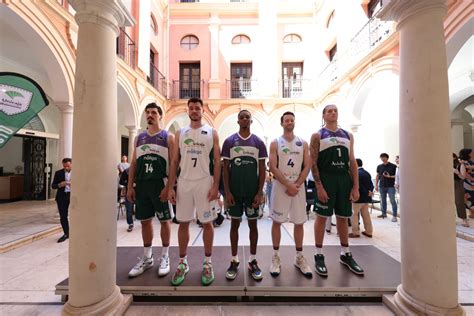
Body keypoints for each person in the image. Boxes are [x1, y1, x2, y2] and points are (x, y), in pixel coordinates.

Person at [167, 97, 221, 286]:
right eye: (191, 108)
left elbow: (217, 161)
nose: (195, 110)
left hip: (204, 183)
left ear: (202, 110)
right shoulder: (180, 133)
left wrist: (216, 187)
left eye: (198, 108)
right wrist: (171, 187)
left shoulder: (212, 132)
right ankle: (183, 263)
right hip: (184, 183)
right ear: (187, 111)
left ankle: (207, 263)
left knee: (207, 223)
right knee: (183, 223)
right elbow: (174, 161)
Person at [310, 104, 364, 277]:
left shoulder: (348, 135)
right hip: (326, 178)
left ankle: (345, 253)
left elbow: (352, 161)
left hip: (344, 179)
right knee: (322, 217)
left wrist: (355, 186)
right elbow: (313, 162)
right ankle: (319, 254)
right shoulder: (318, 135)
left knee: (342, 217)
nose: (333, 112)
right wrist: (319, 186)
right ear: (324, 115)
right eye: (329, 111)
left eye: (335, 110)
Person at [127, 103, 175, 278]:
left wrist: (169, 187)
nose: (150, 115)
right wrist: (130, 186)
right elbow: (133, 163)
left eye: (154, 112)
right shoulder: (139, 138)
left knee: (164, 221)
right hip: (141, 185)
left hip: (159, 184)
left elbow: (173, 164)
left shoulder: (167, 137)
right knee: (145, 221)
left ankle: (165, 256)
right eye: (147, 112)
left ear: (160, 116)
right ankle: (147, 258)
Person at [221, 110, 267, 281]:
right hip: (234, 192)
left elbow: (262, 169)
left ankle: (252, 260)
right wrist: (227, 192)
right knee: (234, 225)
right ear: (238, 121)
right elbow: (225, 169)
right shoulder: (229, 141)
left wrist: (259, 191)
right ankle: (234, 260)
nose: (245, 119)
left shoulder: (258, 143)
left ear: (251, 121)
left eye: (247, 117)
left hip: (252, 193)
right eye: (242, 117)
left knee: (253, 226)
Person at [269, 111, 313, 278]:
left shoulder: (303, 143)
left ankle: (299, 257)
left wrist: (297, 185)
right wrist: (288, 184)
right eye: (286, 120)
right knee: (277, 222)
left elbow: (307, 165)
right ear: (282, 123)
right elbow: (273, 166)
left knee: (299, 223)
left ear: (294, 122)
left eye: (292, 120)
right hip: (281, 186)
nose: (289, 122)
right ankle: (276, 257)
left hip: (298, 185)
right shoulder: (275, 143)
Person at [349, 159, 374, 238]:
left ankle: (355, 232)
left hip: (358, 198)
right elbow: (371, 185)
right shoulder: (367, 173)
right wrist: (369, 191)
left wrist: (366, 192)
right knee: (366, 215)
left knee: (354, 215)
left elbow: (358, 186)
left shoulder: (356, 174)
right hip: (366, 199)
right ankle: (369, 231)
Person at [52, 158, 72, 243]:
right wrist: (60, 184)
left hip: (74, 196)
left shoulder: (78, 171)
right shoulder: (58, 173)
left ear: (72, 164)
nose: (66, 168)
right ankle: (66, 233)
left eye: (68, 166)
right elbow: (53, 186)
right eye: (64, 166)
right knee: (63, 216)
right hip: (62, 197)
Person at [375, 153, 398, 222]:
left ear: (387, 158)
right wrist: (376, 185)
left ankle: (394, 216)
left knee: (392, 201)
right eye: (381, 157)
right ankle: (384, 213)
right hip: (382, 186)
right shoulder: (379, 166)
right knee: (383, 200)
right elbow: (377, 176)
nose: (382, 158)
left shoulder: (393, 166)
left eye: (383, 157)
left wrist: (390, 176)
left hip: (391, 186)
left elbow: (397, 176)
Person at [453, 153, 469, 227]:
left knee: (459, 202)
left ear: (454, 157)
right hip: (447, 184)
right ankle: (451, 219)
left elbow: (463, 177)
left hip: (458, 184)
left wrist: (457, 172)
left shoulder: (460, 165)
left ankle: (464, 219)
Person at [459, 148, 474, 217]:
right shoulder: (464, 163)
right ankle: (471, 212)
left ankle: (472, 213)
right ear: (468, 154)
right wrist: (472, 179)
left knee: (472, 196)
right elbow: (464, 174)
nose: (473, 153)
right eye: (471, 152)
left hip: (472, 182)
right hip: (468, 183)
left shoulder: (470, 162)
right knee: (470, 197)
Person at [119, 166, 135, 232]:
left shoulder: (140, 170)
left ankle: (144, 223)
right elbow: (121, 181)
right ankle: (130, 223)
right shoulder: (126, 171)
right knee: (129, 209)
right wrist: (129, 184)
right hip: (129, 192)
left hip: (139, 192)